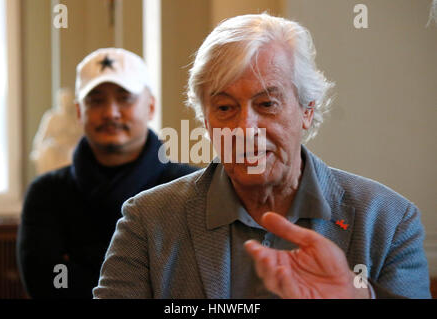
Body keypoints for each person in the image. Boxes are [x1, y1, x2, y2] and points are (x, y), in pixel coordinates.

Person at [93, 15, 431, 299]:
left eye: (267, 104)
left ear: (307, 112)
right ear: (206, 120)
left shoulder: (388, 222)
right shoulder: (148, 221)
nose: (245, 128)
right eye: (225, 107)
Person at [17, 48, 198, 299]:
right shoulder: (46, 193)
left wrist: (84, 268)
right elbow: (48, 287)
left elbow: (192, 287)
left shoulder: (190, 187)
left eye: (125, 98)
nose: (111, 112)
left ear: (151, 107)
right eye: (96, 100)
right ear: (80, 112)